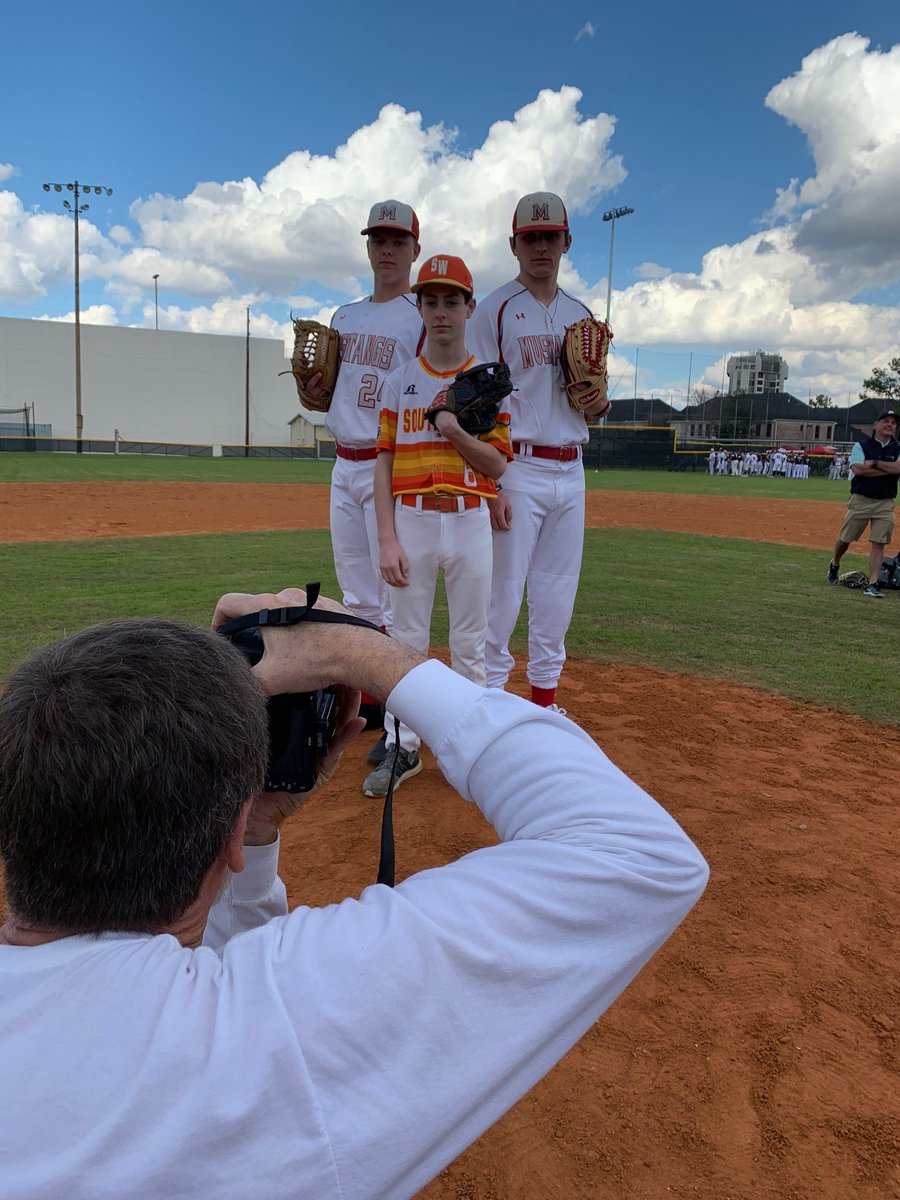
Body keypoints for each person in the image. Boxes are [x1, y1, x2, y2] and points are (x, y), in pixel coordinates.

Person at [0, 588, 708, 1200]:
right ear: (224, 843)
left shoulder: (211, 1034)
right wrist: (363, 655)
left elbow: (178, 985)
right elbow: (636, 851)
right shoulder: (264, 1046)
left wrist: (255, 827)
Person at [365, 254, 512, 798]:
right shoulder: (400, 380)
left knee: (471, 641)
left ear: (470, 307)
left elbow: (497, 464)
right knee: (406, 643)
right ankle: (403, 748)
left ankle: (470, 750)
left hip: (470, 518)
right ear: (420, 307)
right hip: (412, 520)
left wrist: (452, 429)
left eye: (453, 300)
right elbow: (382, 461)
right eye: (431, 300)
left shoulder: (488, 382)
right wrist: (385, 537)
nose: (442, 311)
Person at [467, 192, 609, 712]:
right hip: (517, 467)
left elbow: (591, 406)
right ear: (514, 245)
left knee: (556, 595)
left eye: (550, 236)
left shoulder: (581, 314)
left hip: (571, 470)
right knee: (502, 597)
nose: (541, 246)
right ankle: (490, 705)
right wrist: (490, 482)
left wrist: (600, 403)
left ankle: (545, 702)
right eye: (531, 238)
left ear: (567, 242)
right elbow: (473, 399)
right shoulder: (495, 310)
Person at [305, 198, 424, 756]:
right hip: (342, 461)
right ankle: (372, 706)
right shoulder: (345, 318)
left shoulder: (420, 317)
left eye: (398, 241)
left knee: (395, 592)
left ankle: (402, 712)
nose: (387, 249)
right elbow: (328, 389)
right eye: (378, 240)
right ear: (368, 246)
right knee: (356, 592)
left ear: (414, 250)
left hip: (389, 465)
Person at [826, 410, 900, 597]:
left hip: (885, 501)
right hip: (861, 499)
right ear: (875, 425)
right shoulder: (861, 445)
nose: (889, 425)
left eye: (893, 422)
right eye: (885, 421)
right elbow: (858, 470)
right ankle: (835, 564)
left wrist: (874, 463)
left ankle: (873, 584)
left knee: (879, 543)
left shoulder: (898, 447)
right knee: (845, 539)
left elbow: (898, 468)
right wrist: (889, 470)